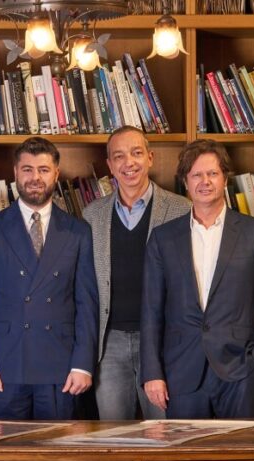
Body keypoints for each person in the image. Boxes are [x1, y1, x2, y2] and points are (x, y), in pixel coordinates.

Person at [140, 139, 254, 418]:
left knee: (242, 447)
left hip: (241, 370)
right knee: (187, 448)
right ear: (185, 181)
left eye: (212, 174)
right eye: (196, 175)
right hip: (181, 371)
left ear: (225, 179)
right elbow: (151, 311)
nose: (205, 181)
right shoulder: (163, 238)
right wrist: (152, 372)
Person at [0, 136, 99, 420]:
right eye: (27, 169)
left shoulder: (78, 231)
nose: (35, 177)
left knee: (57, 446)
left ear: (56, 173)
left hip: (61, 367)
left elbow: (87, 304)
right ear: (16, 173)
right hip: (3, 365)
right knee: (3, 446)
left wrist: (82, 364)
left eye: (43, 169)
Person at [82, 126, 190, 420]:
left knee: (165, 431)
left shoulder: (182, 209)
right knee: (114, 433)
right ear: (110, 165)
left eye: (136, 153)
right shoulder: (92, 215)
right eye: (119, 156)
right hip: (110, 343)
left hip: (163, 340)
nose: (128, 163)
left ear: (150, 158)